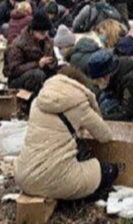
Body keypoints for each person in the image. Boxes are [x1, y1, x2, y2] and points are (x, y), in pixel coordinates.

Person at [15, 66, 118, 201]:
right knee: (109, 170)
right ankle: (82, 197)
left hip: (24, 178)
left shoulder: (37, 102)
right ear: (78, 86)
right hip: (55, 179)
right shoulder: (78, 105)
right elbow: (105, 135)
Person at [4, 12, 57, 92]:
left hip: (41, 72)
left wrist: (51, 62)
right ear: (33, 31)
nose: (45, 36)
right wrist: (37, 64)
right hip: (18, 80)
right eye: (42, 33)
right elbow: (13, 70)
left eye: (46, 33)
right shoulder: (18, 44)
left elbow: (54, 62)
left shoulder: (47, 41)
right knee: (37, 74)